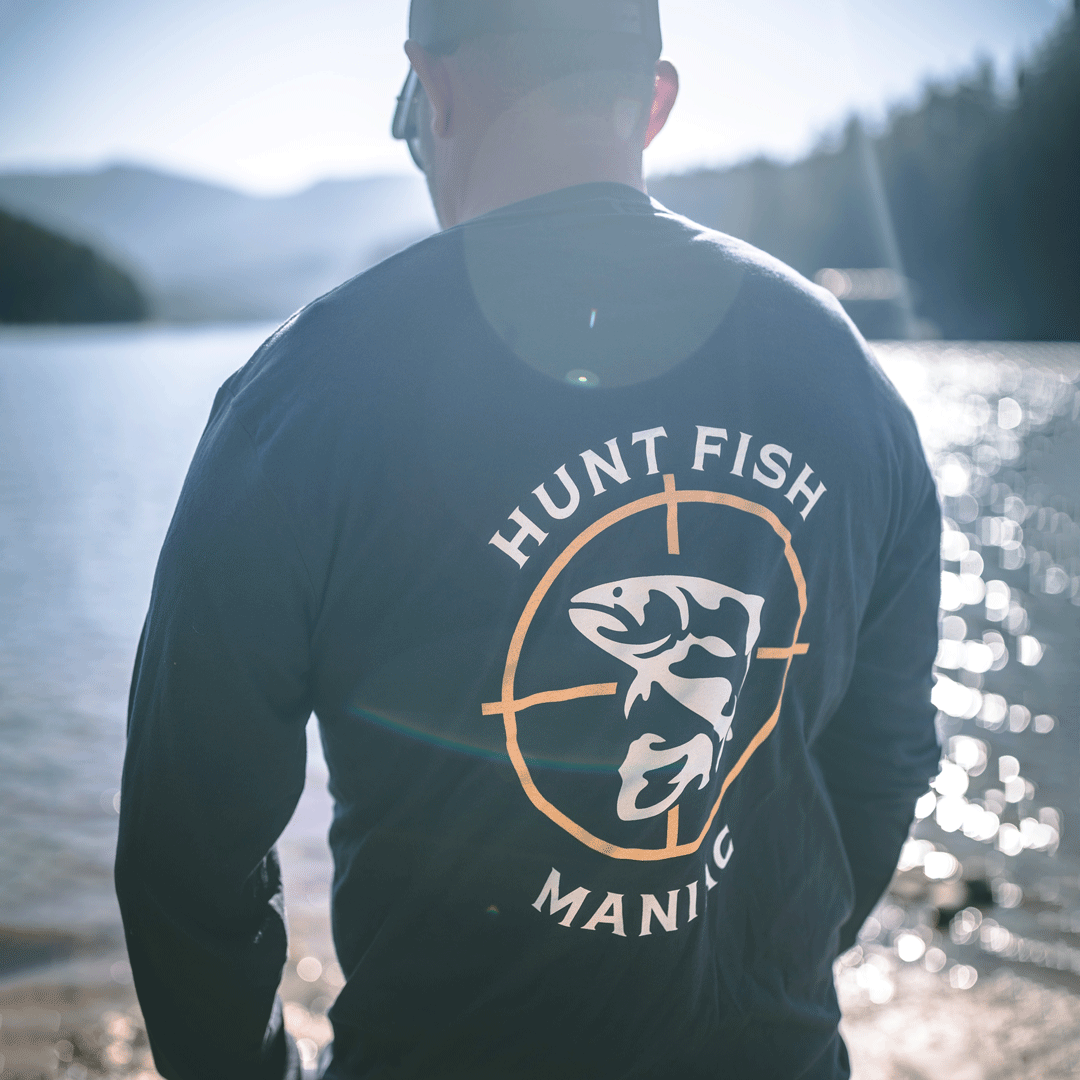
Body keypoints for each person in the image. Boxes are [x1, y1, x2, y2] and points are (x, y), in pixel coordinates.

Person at [115, 2, 942, 1077]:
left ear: (439, 89)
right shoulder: (849, 379)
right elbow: (884, 765)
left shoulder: (309, 391)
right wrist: (759, 967)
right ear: (652, 101)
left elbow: (185, 845)